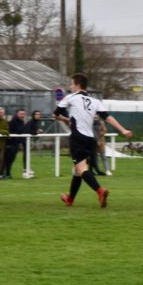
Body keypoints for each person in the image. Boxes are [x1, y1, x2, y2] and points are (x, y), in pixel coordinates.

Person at [53, 73, 132, 207]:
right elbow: (107, 117)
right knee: (77, 171)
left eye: (72, 84)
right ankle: (70, 199)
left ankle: (100, 191)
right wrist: (123, 130)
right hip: (91, 139)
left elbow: (56, 113)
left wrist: (63, 119)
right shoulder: (95, 101)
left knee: (81, 169)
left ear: (78, 85)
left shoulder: (71, 97)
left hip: (77, 138)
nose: (71, 87)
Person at [1, 108, 26, 179]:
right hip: (10, 144)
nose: (22, 115)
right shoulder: (12, 122)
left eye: (23, 114)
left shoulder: (22, 122)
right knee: (6, 160)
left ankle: (8, 174)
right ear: (17, 114)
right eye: (21, 114)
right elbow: (9, 132)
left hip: (16, 144)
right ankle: (1, 174)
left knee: (11, 160)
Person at [22, 110, 43, 176]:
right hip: (25, 140)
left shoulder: (35, 122)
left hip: (29, 140)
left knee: (28, 154)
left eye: (39, 114)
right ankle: (26, 168)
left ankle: (28, 168)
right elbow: (28, 131)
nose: (38, 116)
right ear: (33, 115)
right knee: (26, 154)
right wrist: (37, 132)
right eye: (37, 114)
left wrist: (37, 131)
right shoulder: (31, 122)